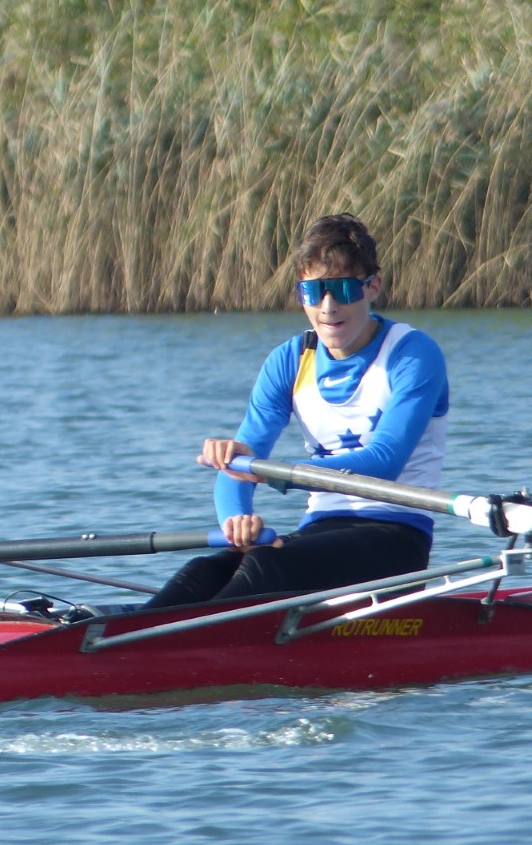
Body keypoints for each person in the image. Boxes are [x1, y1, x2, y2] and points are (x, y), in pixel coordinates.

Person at [144, 213, 450, 607]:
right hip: (320, 530)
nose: (328, 307)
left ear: (373, 286)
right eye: (313, 291)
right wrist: (236, 521)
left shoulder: (412, 354)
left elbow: (385, 461)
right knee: (206, 571)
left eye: (342, 289)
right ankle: (109, 638)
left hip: (395, 539)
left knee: (267, 568)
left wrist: (275, 474)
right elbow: (239, 466)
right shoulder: (289, 360)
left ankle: (177, 640)